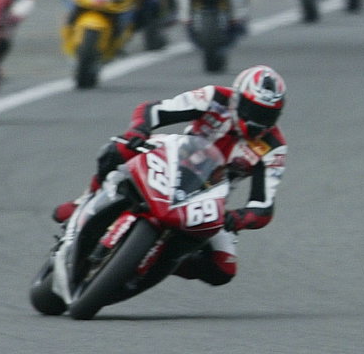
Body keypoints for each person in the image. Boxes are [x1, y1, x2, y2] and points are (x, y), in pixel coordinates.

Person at [52, 66, 289, 286]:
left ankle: (165, 261)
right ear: (238, 98)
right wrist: (139, 129)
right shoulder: (215, 98)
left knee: (223, 270)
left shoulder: (273, 147)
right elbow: (154, 110)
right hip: (173, 157)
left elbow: (263, 205)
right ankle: (83, 201)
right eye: (254, 110)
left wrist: (236, 219)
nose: (258, 121)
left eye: (267, 115)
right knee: (116, 150)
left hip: (209, 195)